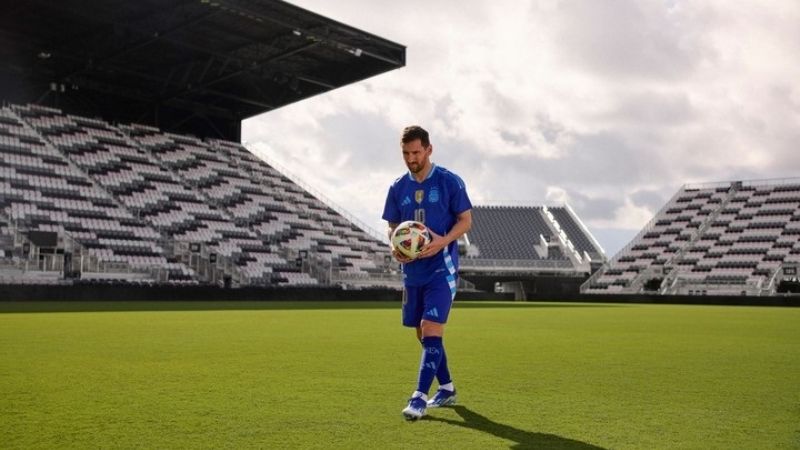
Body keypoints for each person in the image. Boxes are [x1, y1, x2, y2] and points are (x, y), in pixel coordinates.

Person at [382, 125, 473, 420]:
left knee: (431, 327)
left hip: (441, 269)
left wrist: (443, 242)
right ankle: (446, 388)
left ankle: (418, 398)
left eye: (416, 152)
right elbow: (392, 226)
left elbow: (466, 221)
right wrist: (394, 246)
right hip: (412, 272)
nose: (411, 158)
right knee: (422, 332)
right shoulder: (397, 188)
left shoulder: (448, 181)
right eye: (406, 153)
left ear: (429, 149)